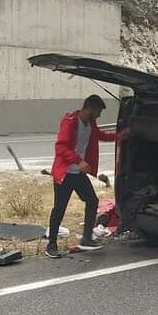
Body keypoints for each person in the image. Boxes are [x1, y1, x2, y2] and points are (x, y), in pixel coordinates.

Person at [45, 94, 127, 258]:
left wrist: (119, 136)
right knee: (59, 208)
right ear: (91, 108)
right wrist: (79, 161)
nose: (99, 116)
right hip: (65, 173)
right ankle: (51, 244)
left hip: (78, 173)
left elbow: (99, 136)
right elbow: (61, 148)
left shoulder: (90, 123)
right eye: (98, 112)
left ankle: (87, 238)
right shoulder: (69, 122)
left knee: (92, 200)